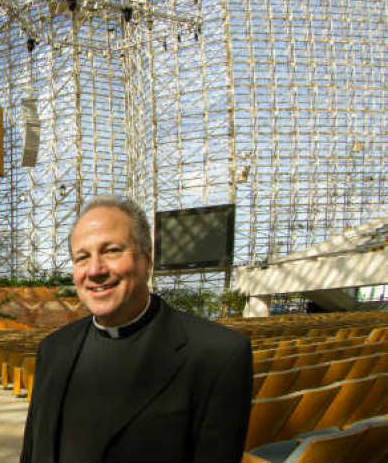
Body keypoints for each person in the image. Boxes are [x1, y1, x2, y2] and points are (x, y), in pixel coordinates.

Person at [20, 196, 252, 463]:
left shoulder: (217, 356)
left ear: (147, 258)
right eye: (82, 257)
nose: (94, 270)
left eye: (112, 251)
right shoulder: (52, 350)